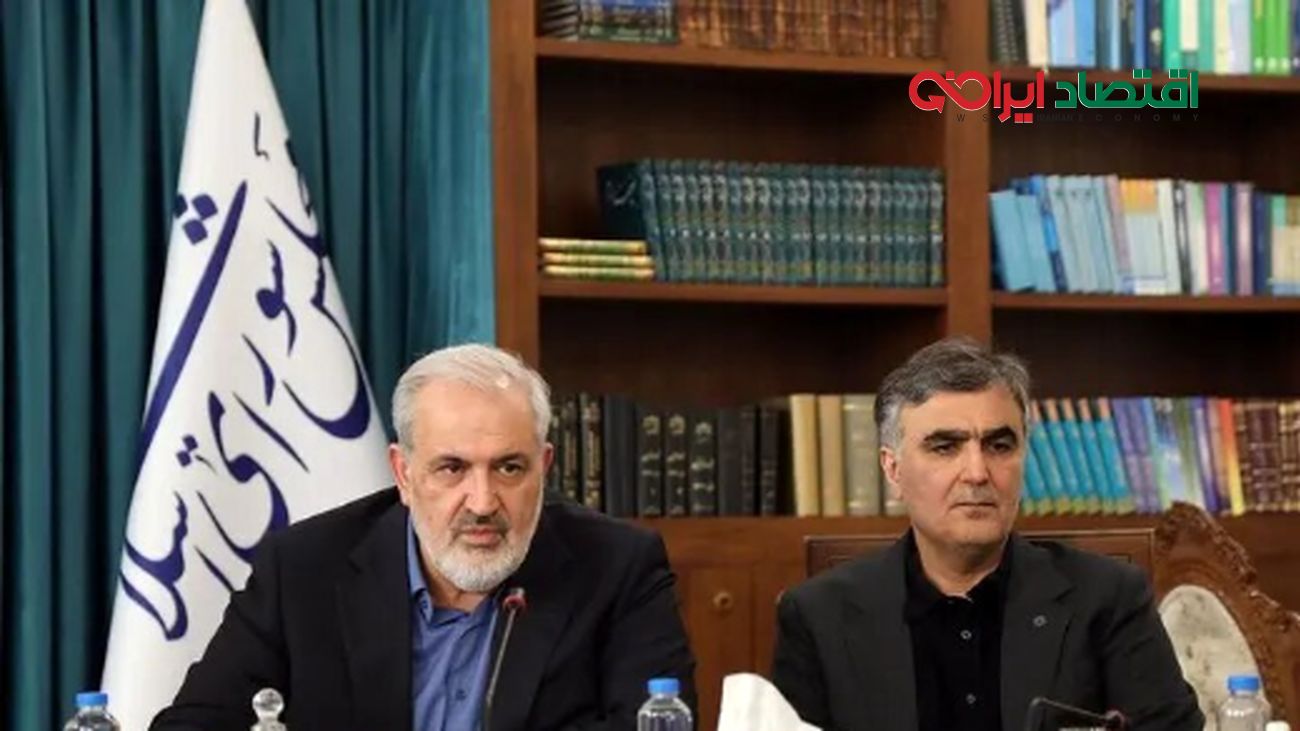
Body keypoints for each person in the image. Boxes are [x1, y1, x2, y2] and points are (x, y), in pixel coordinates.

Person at [152, 343, 696, 730]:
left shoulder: (619, 568)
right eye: (451, 469)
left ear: (545, 466)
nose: (482, 502)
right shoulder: (303, 568)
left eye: (509, 468)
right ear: (404, 474)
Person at [771, 337, 1203, 731]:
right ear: (893, 469)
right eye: (945, 447)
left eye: (999, 446)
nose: (977, 473)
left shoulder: (1109, 599)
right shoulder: (817, 617)